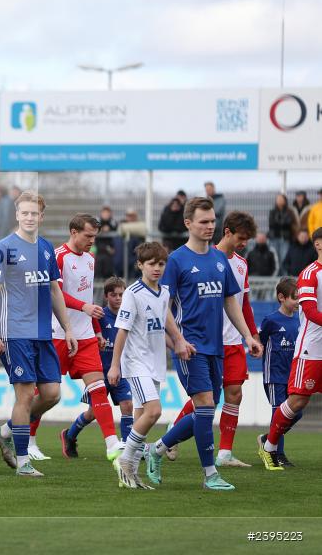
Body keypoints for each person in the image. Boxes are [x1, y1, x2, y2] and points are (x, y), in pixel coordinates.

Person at [143, 198, 262, 490]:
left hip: (216, 348)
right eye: (203, 222)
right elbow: (163, 306)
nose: (209, 226)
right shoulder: (177, 261)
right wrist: (178, 340)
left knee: (203, 412)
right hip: (190, 348)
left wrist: (248, 335)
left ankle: (156, 449)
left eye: (212, 221)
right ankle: (210, 475)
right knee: (206, 406)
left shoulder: (220, 259)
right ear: (188, 224)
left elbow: (230, 301)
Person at [0, 191, 76, 477]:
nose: (29, 217)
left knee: (51, 394)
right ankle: (23, 462)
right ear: (17, 215)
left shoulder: (47, 248)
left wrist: (68, 327)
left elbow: (53, 290)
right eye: (24, 212)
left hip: (43, 334)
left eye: (34, 213)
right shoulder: (3, 248)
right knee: (24, 397)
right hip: (15, 333)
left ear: (41, 216)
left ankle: (5, 431)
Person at [42, 214, 121, 461]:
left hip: (85, 336)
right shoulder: (58, 257)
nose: (92, 241)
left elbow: (87, 298)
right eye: (88, 236)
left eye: (95, 237)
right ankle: (29, 442)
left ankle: (112, 444)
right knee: (44, 394)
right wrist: (84, 308)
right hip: (57, 333)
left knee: (98, 389)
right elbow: (55, 295)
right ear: (73, 231)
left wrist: (96, 329)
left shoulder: (90, 258)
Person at [108, 242, 173, 489]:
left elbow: (159, 327)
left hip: (155, 363)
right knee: (154, 411)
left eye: (161, 264)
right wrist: (115, 366)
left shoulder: (164, 293)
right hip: (136, 363)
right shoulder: (133, 293)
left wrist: (177, 343)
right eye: (151, 264)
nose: (157, 268)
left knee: (139, 418)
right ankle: (125, 460)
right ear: (140, 265)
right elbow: (122, 331)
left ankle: (131, 475)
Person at [258, 229, 322, 471]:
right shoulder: (309, 274)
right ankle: (270, 447)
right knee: (297, 402)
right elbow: (311, 312)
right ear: (318, 244)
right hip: (312, 350)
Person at [60, 277, 133, 458]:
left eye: (121, 294)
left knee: (127, 405)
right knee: (93, 413)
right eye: (114, 295)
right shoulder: (98, 317)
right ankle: (69, 435)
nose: (118, 298)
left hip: (120, 371)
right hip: (99, 372)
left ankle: (127, 448)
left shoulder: (128, 317)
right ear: (106, 296)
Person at [213, 211, 261, 468]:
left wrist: (252, 336)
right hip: (209, 341)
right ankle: (174, 433)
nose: (244, 243)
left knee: (234, 394)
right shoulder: (207, 258)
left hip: (233, 342)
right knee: (206, 398)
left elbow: (244, 305)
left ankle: (224, 453)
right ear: (227, 231)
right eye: (241, 238)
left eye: (248, 239)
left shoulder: (242, 264)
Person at [258, 278, 299, 467]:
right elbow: (260, 341)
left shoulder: (299, 320)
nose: (298, 301)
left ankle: (268, 439)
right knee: (279, 412)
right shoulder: (271, 320)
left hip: (292, 376)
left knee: (295, 413)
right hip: (274, 374)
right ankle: (278, 454)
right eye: (295, 298)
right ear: (281, 297)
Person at [268, 194, 298, 270]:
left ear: (285, 201)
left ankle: (284, 276)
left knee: (284, 258)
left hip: (285, 239)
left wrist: (279, 223)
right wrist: (282, 222)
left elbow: (288, 223)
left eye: (281, 199)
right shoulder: (272, 211)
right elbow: (271, 224)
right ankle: (276, 276)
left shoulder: (289, 211)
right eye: (278, 199)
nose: (279, 201)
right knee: (275, 258)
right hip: (274, 238)